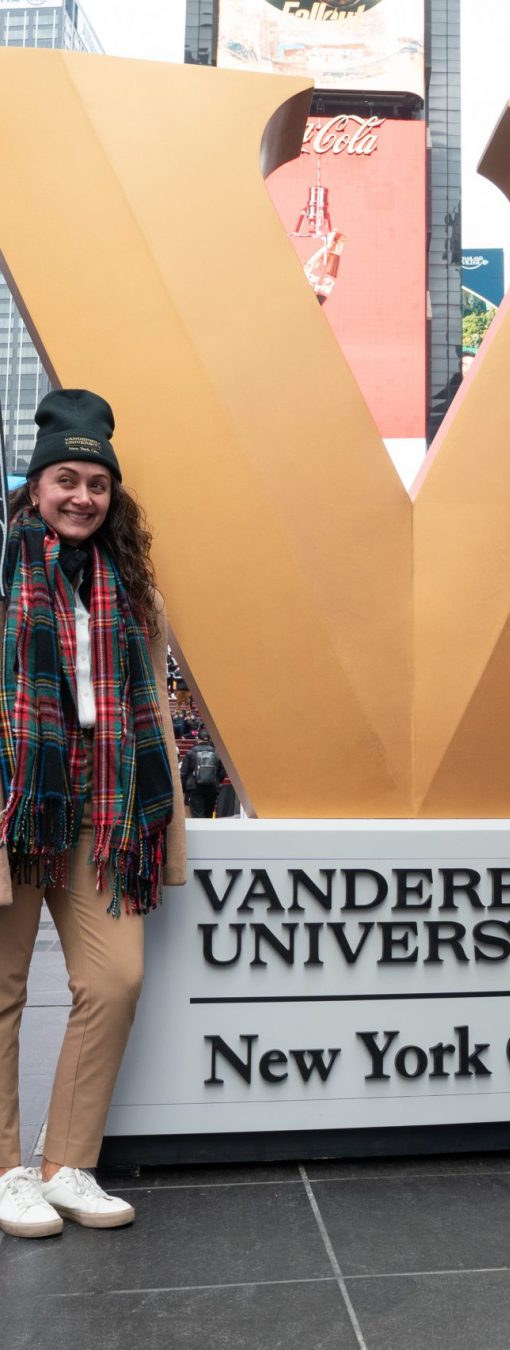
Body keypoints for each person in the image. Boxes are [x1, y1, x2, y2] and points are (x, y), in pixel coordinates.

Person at [0, 389, 186, 1239]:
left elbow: (145, 697)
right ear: (35, 486)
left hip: (100, 810)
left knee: (114, 978)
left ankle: (66, 1161)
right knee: (1, 991)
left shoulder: (126, 584)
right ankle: (6, 1171)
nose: (81, 497)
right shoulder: (2, 566)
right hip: (10, 803)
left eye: (97, 485)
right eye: (65, 479)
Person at [181, 726, 224, 819]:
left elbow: (183, 773)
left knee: (198, 816)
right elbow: (222, 772)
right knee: (208, 816)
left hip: (195, 788)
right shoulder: (216, 754)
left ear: (197, 738)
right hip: (212, 788)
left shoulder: (191, 753)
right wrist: (215, 780)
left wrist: (183, 789)